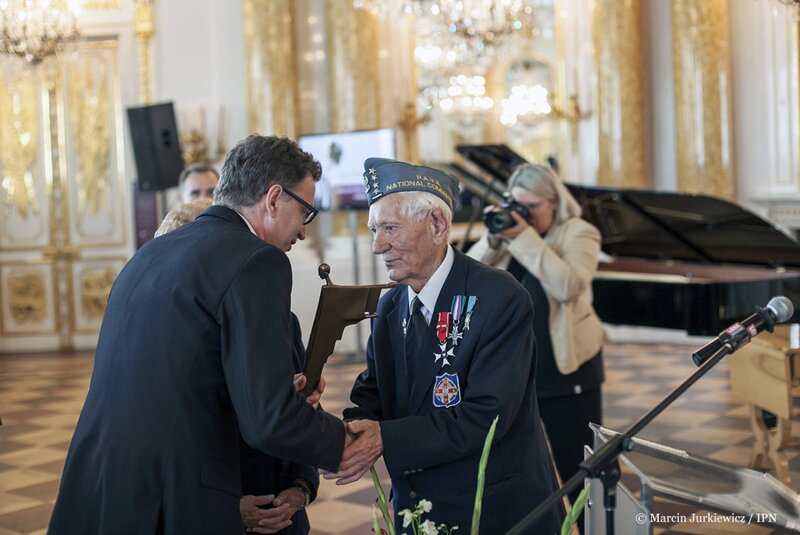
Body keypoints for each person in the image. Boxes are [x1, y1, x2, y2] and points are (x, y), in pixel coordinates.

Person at [49, 134, 353, 535]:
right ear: (275, 198)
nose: (302, 232)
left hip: (104, 487)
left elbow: (181, 376)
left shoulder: (151, 253)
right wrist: (346, 442)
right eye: (306, 212)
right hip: (174, 496)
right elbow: (269, 422)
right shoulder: (257, 261)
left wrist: (275, 388)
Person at [332, 158, 564, 534]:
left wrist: (382, 438)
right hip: (420, 503)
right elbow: (374, 390)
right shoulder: (391, 304)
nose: (377, 246)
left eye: (390, 228)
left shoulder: (499, 296)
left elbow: (486, 416)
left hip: (493, 507)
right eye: (374, 230)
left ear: (437, 225)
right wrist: (340, 437)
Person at [154, 198, 318, 534]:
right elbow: (169, 447)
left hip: (282, 515)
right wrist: (227, 508)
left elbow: (302, 412)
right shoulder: (163, 347)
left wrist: (301, 487)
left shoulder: (283, 323)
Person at [467, 163, 606, 510]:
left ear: (554, 202)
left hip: (565, 369)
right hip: (512, 374)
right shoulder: (509, 236)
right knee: (519, 470)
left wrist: (523, 237)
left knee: (580, 467)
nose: (522, 214)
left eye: (532, 207)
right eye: (517, 205)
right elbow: (465, 279)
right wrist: (493, 239)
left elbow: (569, 286)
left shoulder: (579, 232)